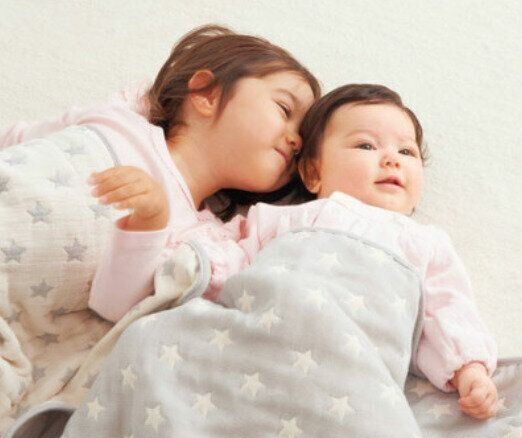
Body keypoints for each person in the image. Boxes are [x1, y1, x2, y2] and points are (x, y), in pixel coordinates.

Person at [177, 84, 499, 420]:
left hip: (354, 381)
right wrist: (196, 266)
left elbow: (447, 308)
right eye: (366, 145)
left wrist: (469, 369)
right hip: (262, 349)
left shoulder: (423, 242)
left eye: (407, 152)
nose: (392, 159)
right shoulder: (285, 220)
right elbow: (231, 265)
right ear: (313, 173)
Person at [0, 24, 320, 322]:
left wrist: (150, 223)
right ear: (207, 93)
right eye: (284, 109)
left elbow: (112, 308)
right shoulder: (119, 120)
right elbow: (21, 140)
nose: (296, 140)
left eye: (303, 142)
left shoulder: (200, 240)